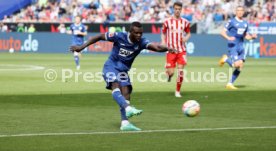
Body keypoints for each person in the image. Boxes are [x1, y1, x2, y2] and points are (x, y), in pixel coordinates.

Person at [70, 22, 177, 131]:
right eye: (136, 33)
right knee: (115, 85)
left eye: (140, 33)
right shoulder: (119, 36)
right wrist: (81, 47)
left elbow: (158, 47)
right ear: (130, 32)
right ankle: (128, 108)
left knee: (126, 93)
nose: (139, 35)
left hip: (123, 71)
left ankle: (125, 123)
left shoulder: (142, 42)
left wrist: (168, 48)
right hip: (111, 66)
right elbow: (99, 36)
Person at [219, 6, 257, 89]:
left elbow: (246, 36)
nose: (240, 12)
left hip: (241, 46)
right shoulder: (231, 21)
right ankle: (225, 59)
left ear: (243, 12)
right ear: (236, 12)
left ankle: (230, 84)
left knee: (241, 66)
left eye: (241, 10)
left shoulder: (245, 23)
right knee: (236, 65)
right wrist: (228, 38)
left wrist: (252, 37)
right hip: (233, 46)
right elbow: (222, 32)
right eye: (238, 10)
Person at [161, 2, 191, 97]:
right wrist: (163, 42)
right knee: (171, 73)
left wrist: (186, 38)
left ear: (181, 10)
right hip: (170, 50)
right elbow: (163, 33)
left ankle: (177, 91)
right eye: (176, 9)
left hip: (181, 50)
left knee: (180, 71)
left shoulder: (185, 22)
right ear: (173, 9)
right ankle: (168, 73)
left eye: (179, 9)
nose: (177, 10)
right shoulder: (167, 21)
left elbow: (189, 33)